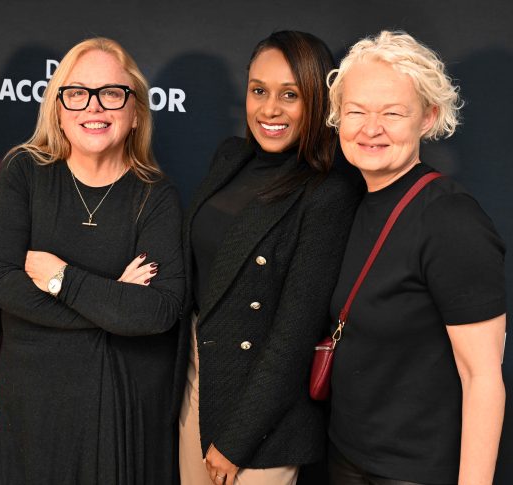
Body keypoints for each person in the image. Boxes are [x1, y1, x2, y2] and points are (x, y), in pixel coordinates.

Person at [0, 37, 184, 485]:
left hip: (124, 402)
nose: (95, 107)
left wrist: (62, 279)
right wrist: (111, 302)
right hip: (35, 400)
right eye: (77, 93)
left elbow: (159, 310)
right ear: (57, 108)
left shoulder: (156, 195)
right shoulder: (23, 173)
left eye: (112, 93)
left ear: (134, 114)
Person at [176, 31, 361, 485]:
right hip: (199, 377)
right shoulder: (230, 156)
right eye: (259, 91)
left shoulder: (328, 193)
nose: (269, 109)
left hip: (263, 414)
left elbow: (294, 336)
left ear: (317, 100)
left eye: (290, 95)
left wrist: (236, 440)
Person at [325, 31, 507, 485]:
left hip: (413, 473)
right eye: (357, 111)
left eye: (392, 113)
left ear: (427, 118)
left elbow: (482, 377)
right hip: (346, 458)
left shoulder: (449, 219)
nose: (371, 128)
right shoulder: (356, 201)